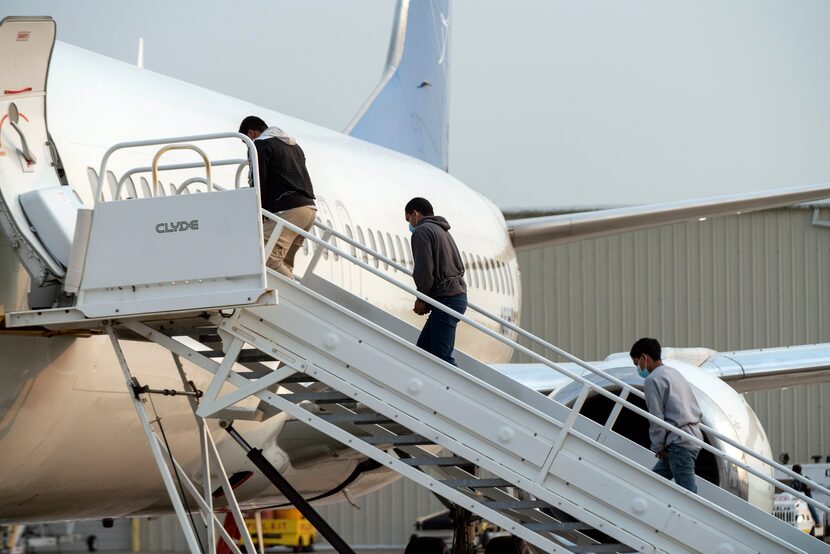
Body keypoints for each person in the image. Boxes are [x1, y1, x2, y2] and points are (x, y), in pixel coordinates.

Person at [239, 115, 317, 279]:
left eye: (246, 141)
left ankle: (297, 297)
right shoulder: (294, 146)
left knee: (264, 258)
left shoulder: (260, 145)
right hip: (308, 209)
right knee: (284, 264)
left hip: (288, 210)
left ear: (251, 133)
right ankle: (288, 298)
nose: (248, 145)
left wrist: (259, 212)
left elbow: (259, 181)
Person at [630, 337, 703, 493]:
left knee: (688, 493)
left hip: (678, 442)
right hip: (692, 436)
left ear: (644, 357)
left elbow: (656, 418)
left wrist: (658, 446)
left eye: (637, 364)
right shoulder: (674, 373)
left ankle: (695, 517)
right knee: (653, 485)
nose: (639, 368)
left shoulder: (652, 380)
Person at [405, 197, 467, 366]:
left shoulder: (422, 232)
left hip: (447, 299)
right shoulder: (442, 230)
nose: (409, 224)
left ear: (416, 214)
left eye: (408, 218)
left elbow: (424, 270)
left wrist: (421, 299)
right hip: (456, 296)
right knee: (424, 352)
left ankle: (455, 391)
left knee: (442, 358)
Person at [792, 464, 821, 530]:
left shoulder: (804, 477)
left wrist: (807, 486)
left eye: (794, 470)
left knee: (811, 506)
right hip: (798, 495)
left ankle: (817, 522)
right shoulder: (796, 479)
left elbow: (810, 485)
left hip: (806, 494)